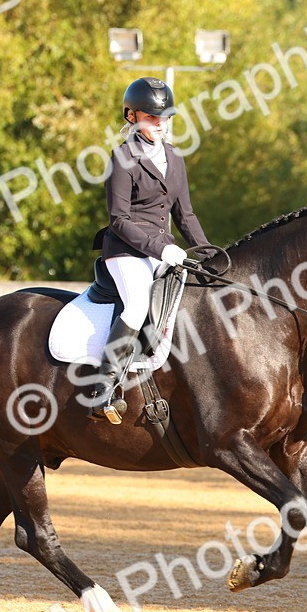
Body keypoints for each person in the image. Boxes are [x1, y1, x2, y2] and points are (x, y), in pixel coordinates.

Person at [88, 77, 214, 423]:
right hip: (125, 251)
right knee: (138, 303)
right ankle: (103, 388)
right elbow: (119, 219)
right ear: (131, 117)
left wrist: (208, 255)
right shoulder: (122, 158)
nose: (160, 124)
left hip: (163, 250)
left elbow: (185, 215)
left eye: (165, 117)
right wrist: (161, 248)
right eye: (151, 118)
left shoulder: (174, 157)